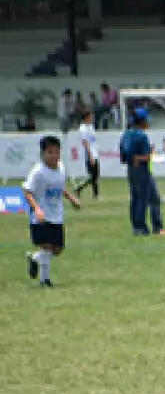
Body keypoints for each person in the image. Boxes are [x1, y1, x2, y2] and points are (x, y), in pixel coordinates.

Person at [23, 135, 82, 289]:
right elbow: (27, 191)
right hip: (42, 216)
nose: (54, 155)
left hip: (57, 214)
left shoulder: (61, 168)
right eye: (50, 152)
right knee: (47, 246)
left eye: (56, 152)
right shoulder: (38, 172)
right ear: (43, 153)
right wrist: (36, 209)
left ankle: (35, 259)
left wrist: (71, 199)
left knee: (57, 250)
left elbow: (60, 187)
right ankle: (45, 280)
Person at [119, 107, 165, 237]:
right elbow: (145, 156)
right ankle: (146, 228)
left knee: (136, 198)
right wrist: (150, 152)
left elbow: (123, 157)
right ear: (142, 121)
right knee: (147, 198)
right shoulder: (142, 136)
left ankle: (137, 227)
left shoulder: (125, 135)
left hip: (131, 171)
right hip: (143, 171)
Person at [74, 109, 100, 200]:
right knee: (92, 175)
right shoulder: (83, 129)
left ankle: (80, 187)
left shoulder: (91, 126)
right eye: (90, 116)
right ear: (86, 117)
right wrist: (90, 156)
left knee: (95, 175)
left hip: (94, 153)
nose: (92, 117)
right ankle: (95, 194)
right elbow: (86, 143)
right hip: (89, 154)